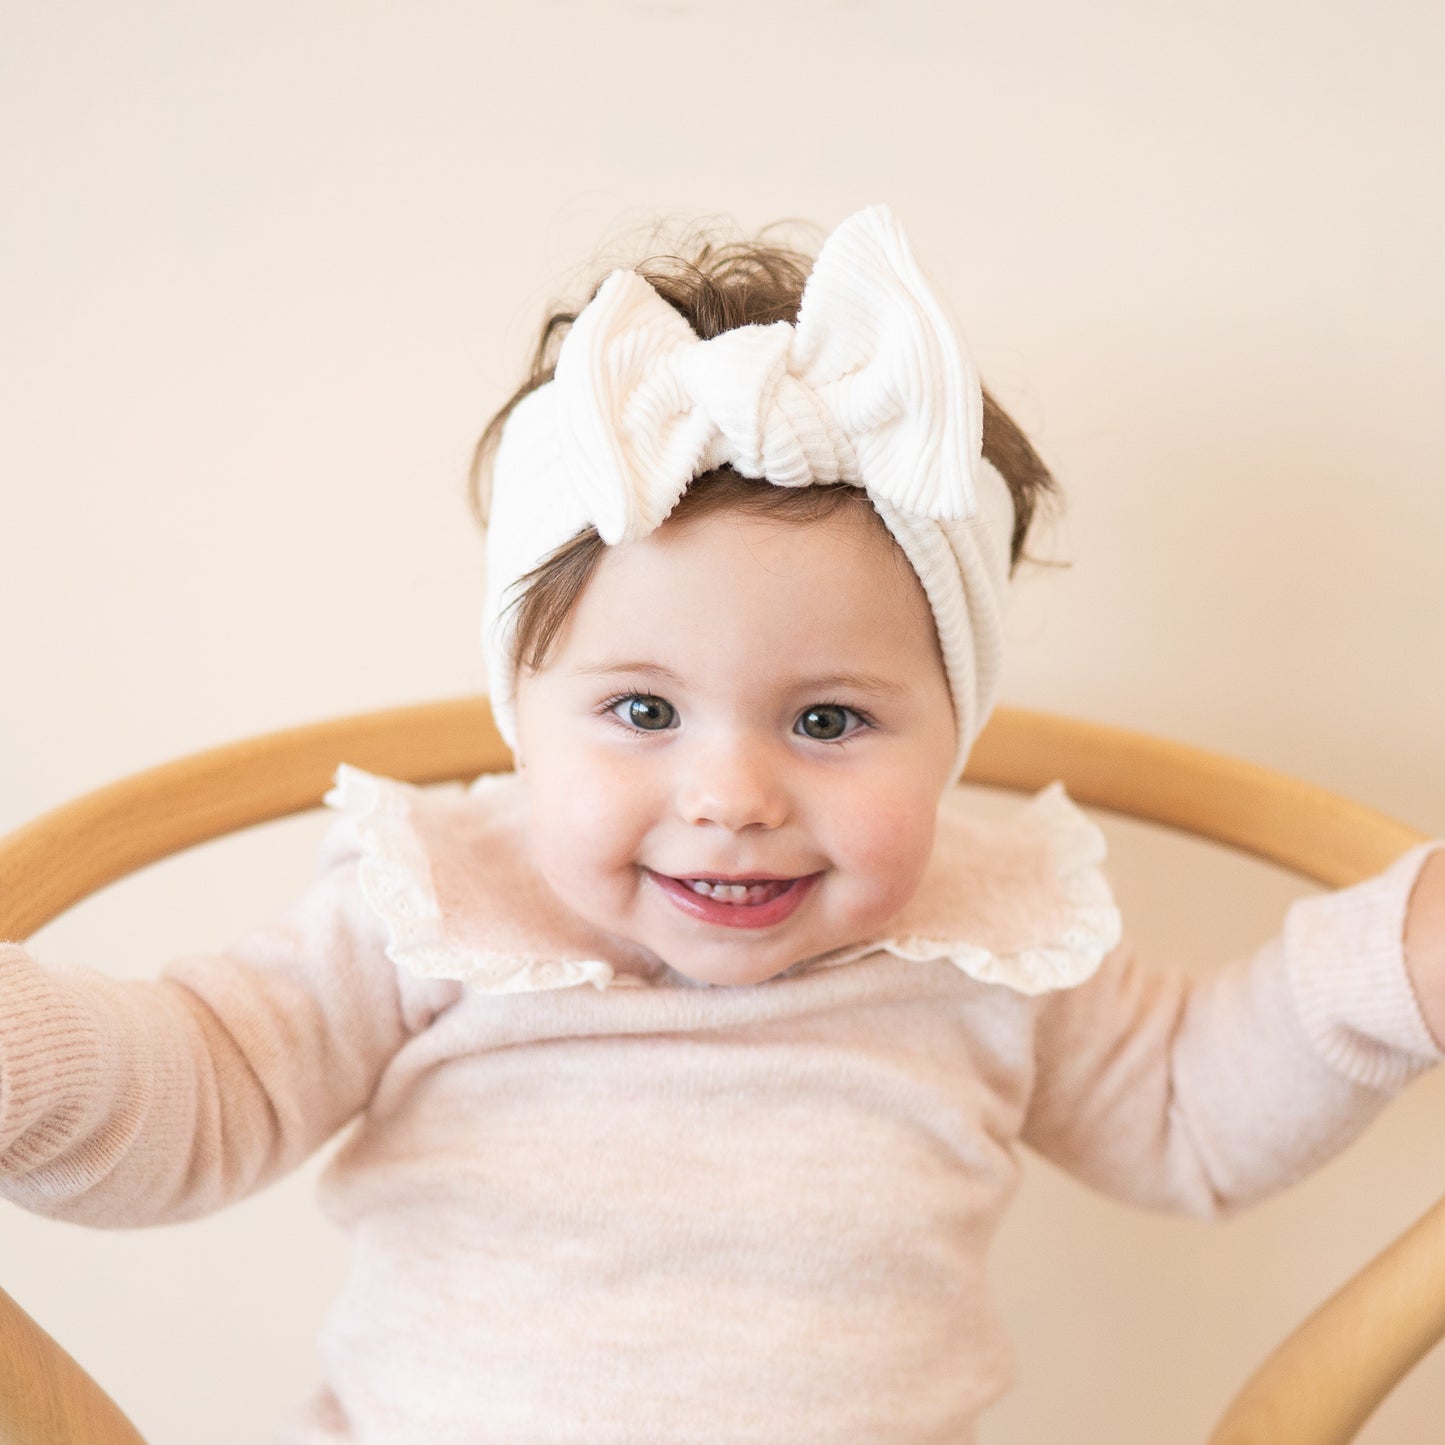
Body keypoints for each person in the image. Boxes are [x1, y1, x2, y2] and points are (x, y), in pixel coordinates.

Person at [2, 205, 1442, 1443]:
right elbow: (199, 1088)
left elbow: (1190, 1111)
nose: (731, 797)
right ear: (523, 707)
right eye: (640, 710)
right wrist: (27, 1049)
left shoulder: (991, 926)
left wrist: (1391, 966)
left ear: (957, 734)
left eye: (827, 721)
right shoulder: (436, 901)